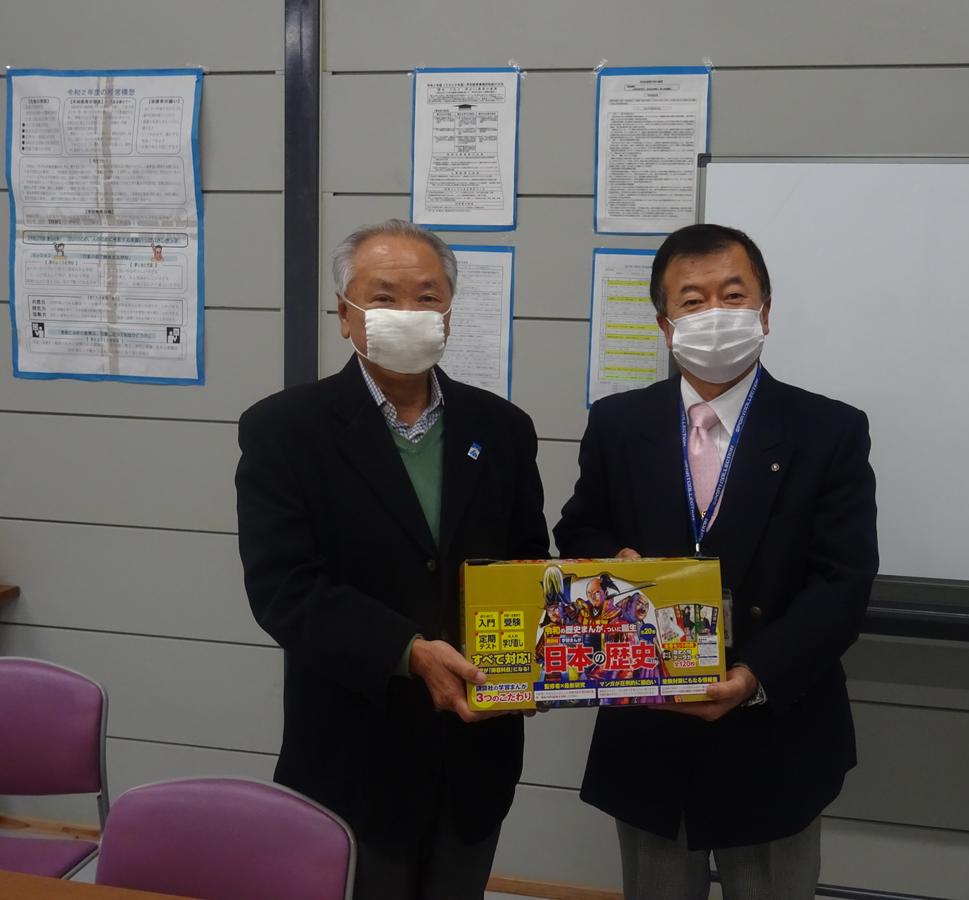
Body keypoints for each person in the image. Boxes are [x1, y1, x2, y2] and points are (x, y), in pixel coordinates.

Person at [554, 223, 878, 900]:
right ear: (665, 325)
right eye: (693, 300)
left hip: (776, 724)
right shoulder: (618, 423)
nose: (715, 313)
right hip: (651, 720)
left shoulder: (828, 430)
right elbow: (580, 526)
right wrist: (611, 562)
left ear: (764, 312)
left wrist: (755, 676)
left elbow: (842, 582)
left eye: (733, 296)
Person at [235, 219, 549, 899]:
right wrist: (409, 652)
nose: (408, 312)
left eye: (427, 296)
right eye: (383, 296)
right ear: (344, 315)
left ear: (449, 312)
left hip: (477, 750)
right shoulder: (284, 430)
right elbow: (285, 590)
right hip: (353, 754)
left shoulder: (502, 429)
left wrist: (535, 657)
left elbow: (527, 560)